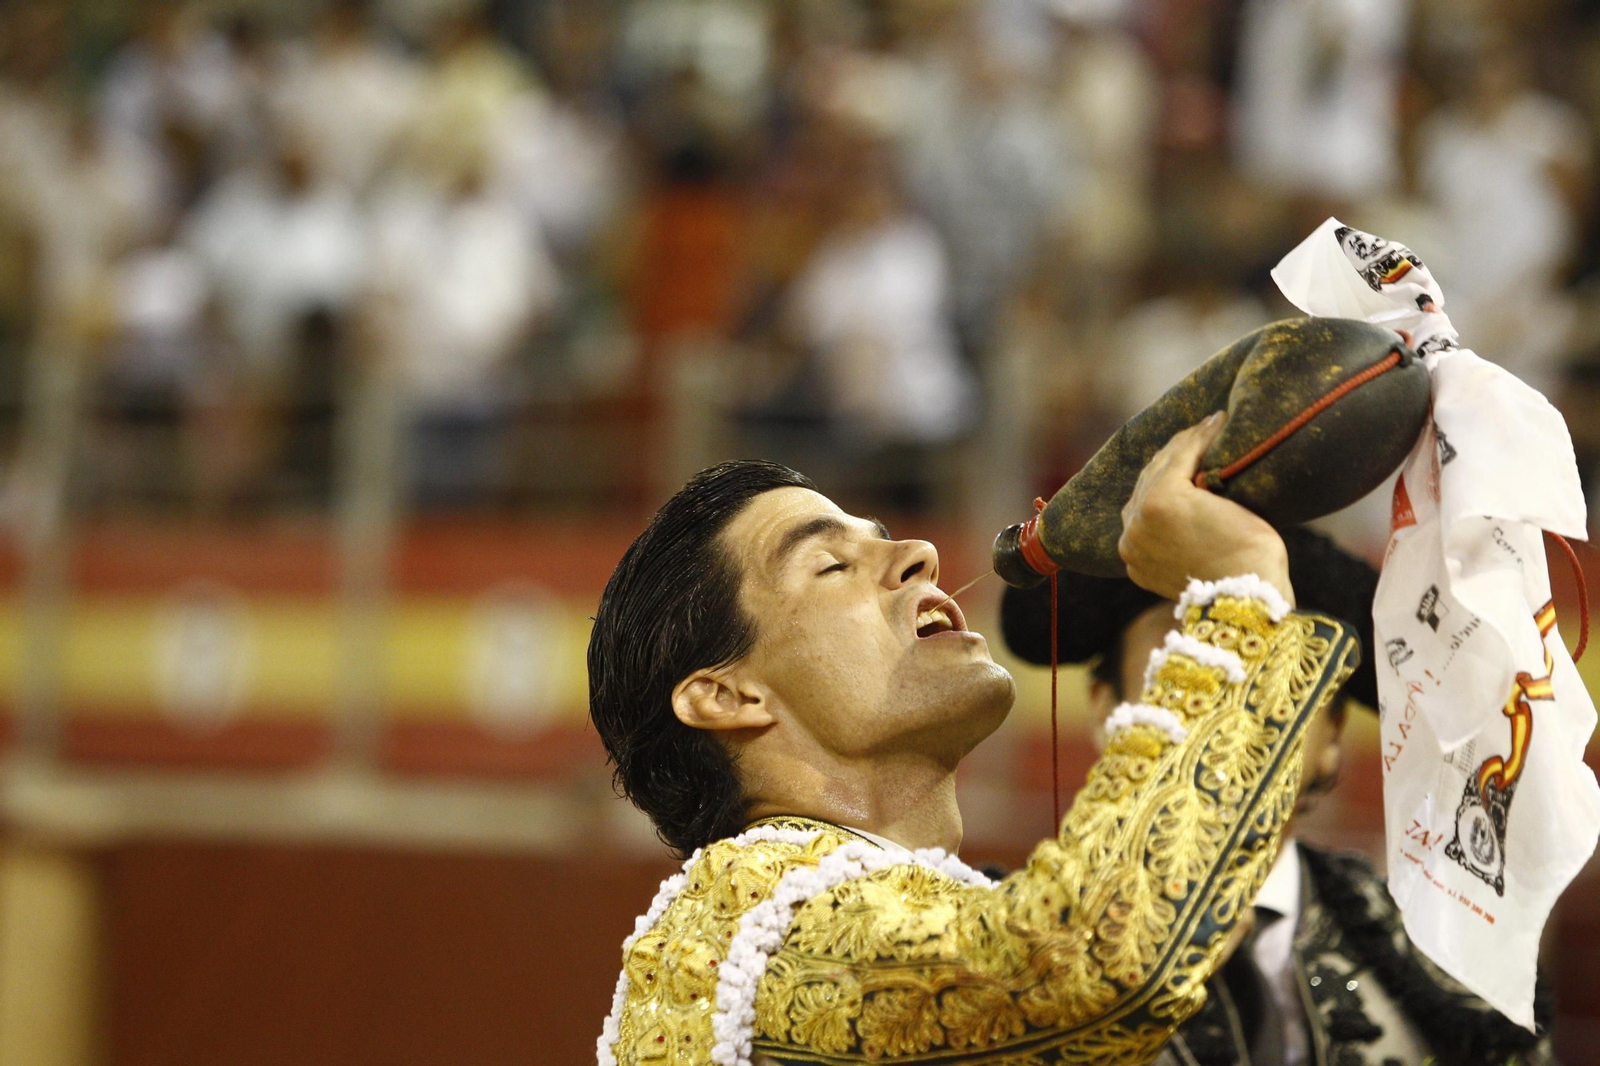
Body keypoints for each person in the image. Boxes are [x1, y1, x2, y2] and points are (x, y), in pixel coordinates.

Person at [590, 415, 1361, 1065]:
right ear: (728, 696)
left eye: (885, 537)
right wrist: (1240, 596)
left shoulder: (890, 914)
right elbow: (1086, 959)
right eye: (831, 564)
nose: (919, 554)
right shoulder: (752, 918)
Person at [1001, 527, 1558, 1065]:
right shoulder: (1006, 949)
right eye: (1190, 660)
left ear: (1334, 734)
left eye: (1277, 670)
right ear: (1105, 711)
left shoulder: (1443, 955)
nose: (1234, 705)